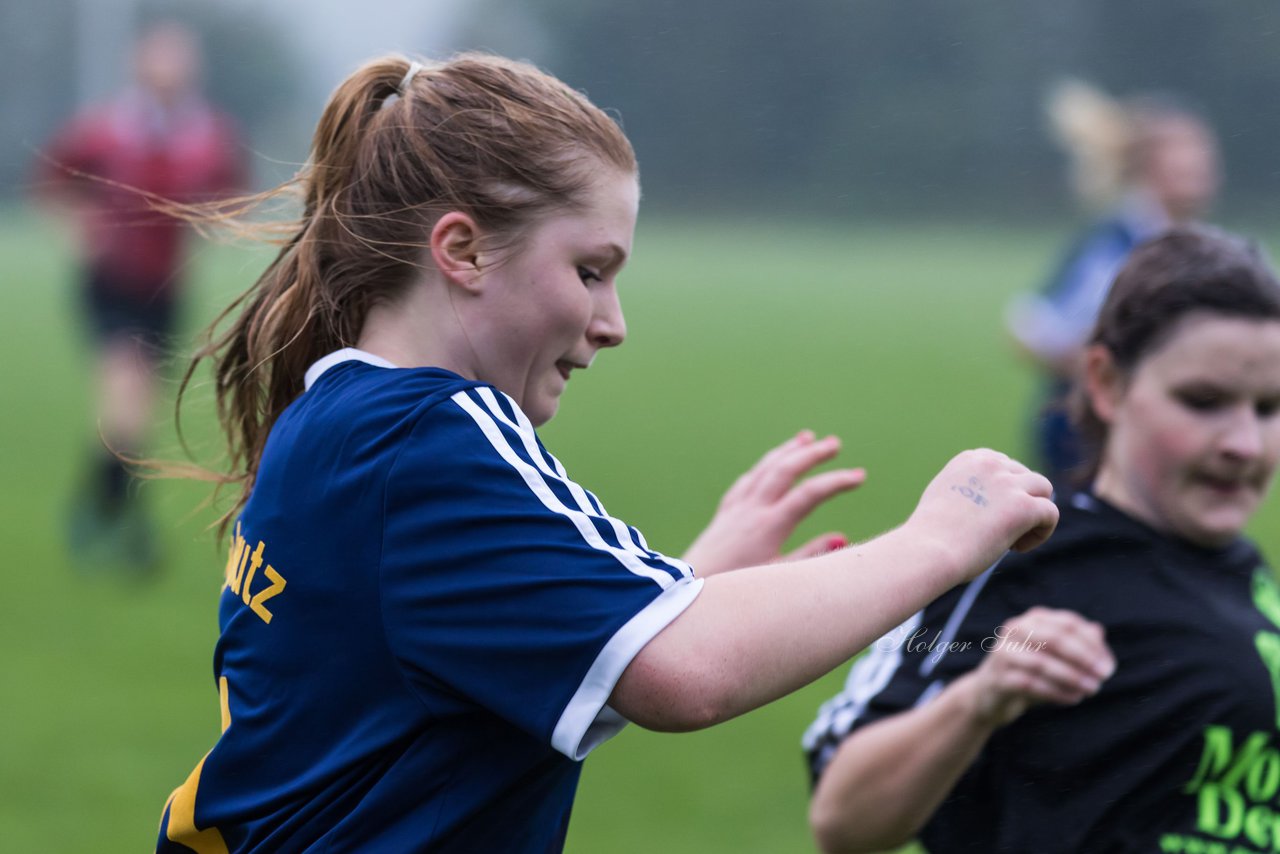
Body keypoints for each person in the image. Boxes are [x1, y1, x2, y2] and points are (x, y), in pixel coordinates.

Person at [154, 54, 1057, 853]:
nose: (612, 323)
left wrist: (679, 587)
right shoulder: (433, 434)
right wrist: (942, 537)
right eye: (590, 270)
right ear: (463, 250)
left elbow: (485, 681)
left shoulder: (335, 416)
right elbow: (684, 678)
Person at [804, 227, 1280, 853]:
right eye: (1203, 401)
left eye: (1269, 407)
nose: (1243, 443)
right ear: (1106, 383)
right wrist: (981, 698)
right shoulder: (1023, 553)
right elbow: (842, 819)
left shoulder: (1248, 577)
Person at [35, 20, 245, 572]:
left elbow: (231, 195)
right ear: (140, 66)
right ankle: (122, 526)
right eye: (161, 59)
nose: (171, 71)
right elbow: (54, 177)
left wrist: (213, 223)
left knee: (134, 416)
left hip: (165, 289)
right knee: (125, 397)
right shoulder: (108, 129)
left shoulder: (205, 135)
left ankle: (99, 512)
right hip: (110, 283)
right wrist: (80, 226)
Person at [1005, 80, 1220, 486]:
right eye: (1185, 153)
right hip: (1087, 437)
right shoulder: (1115, 244)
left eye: (1203, 152)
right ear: (1148, 165)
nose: (1201, 166)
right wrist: (1105, 366)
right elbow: (1031, 326)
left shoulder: (1187, 243)